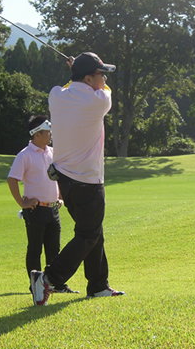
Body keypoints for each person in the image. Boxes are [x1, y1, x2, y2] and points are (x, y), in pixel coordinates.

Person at [30, 52, 125, 305]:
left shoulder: (56, 95)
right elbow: (104, 90)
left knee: (94, 231)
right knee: (87, 235)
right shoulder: (99, 101)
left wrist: (77, 75)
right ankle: (48, 279)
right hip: (88, 182)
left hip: (64, 181)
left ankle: (97, 285)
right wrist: (81, 74)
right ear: (88, 78)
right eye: (100, 74)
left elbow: (68, 88)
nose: (104, 78)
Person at [7, 115, 78, 294]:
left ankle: (56, 284)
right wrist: (22, 202)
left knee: (54, 249)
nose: (50, 134)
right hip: (35, 210)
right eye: (47, 132)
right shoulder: (24, 155)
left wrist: (60, 196)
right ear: (37, 134)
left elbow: (59, 177)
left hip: (53, 208)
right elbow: (12, 179)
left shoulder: (53, 152)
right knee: (35, 249)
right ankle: (36, 286)